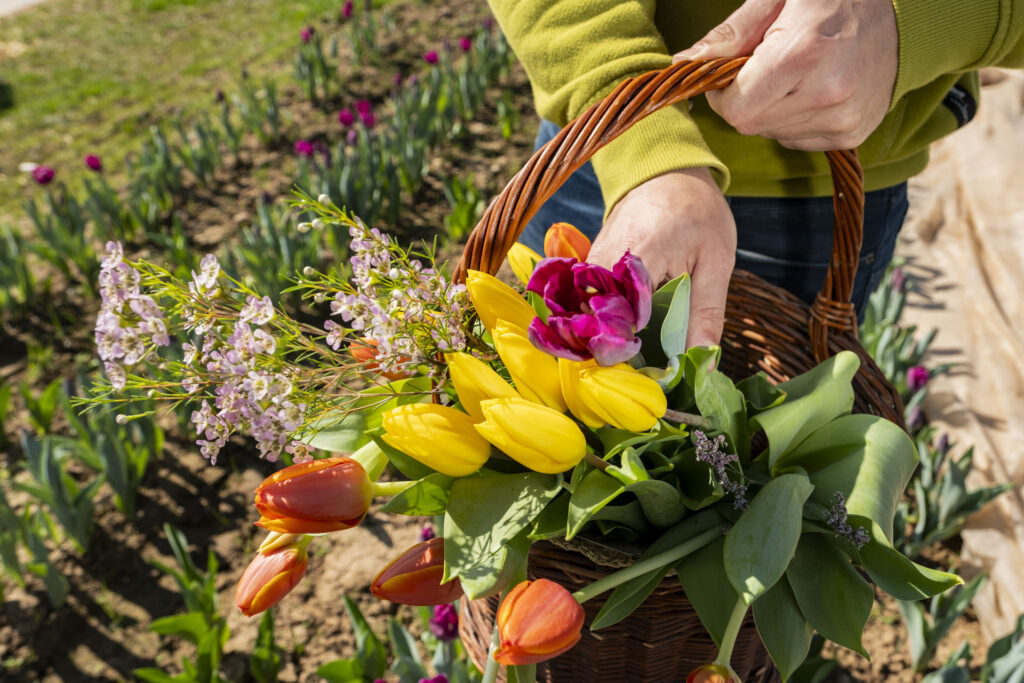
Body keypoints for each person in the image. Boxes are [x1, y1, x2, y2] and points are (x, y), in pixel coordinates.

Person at [486, 0, 1024, 348]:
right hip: (598, 140)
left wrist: (914, 20)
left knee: (747, 484)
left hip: (817, 171)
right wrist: (641, 139)